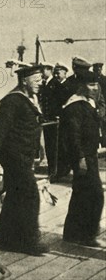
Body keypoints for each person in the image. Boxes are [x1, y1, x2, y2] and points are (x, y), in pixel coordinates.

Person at [0, 65, 49, 256]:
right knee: (30, 195)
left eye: (41, 80)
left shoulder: (31, 99)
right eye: (36, 80)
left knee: (14, 195)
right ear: (24, 81)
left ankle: (7, 238)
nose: (40, 83)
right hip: (14, 156)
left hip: (24, 155)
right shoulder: (13, 100)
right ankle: (28, 241)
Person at [61, 69, 105, 247]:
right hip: (83, 156)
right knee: (95, 195)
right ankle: (87, 234)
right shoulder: (75, 107)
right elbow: (73, 135)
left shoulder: (88, 103)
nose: (95, 88)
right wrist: (80, 158)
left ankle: (71, 234)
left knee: (80, 194)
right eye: (91, 84)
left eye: (96, 84)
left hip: (90, 154)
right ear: (81, 87)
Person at [38, 63, 59, 179]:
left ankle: (54, 172)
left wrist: (57, 115)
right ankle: (51, 171)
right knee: (49, 146)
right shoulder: (45, 84)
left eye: (44, 70)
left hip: (53, 120)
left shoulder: (55, 84)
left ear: (50, 70)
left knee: (53, 147)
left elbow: (60, 100)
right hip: (47, 120)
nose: (42, 72)